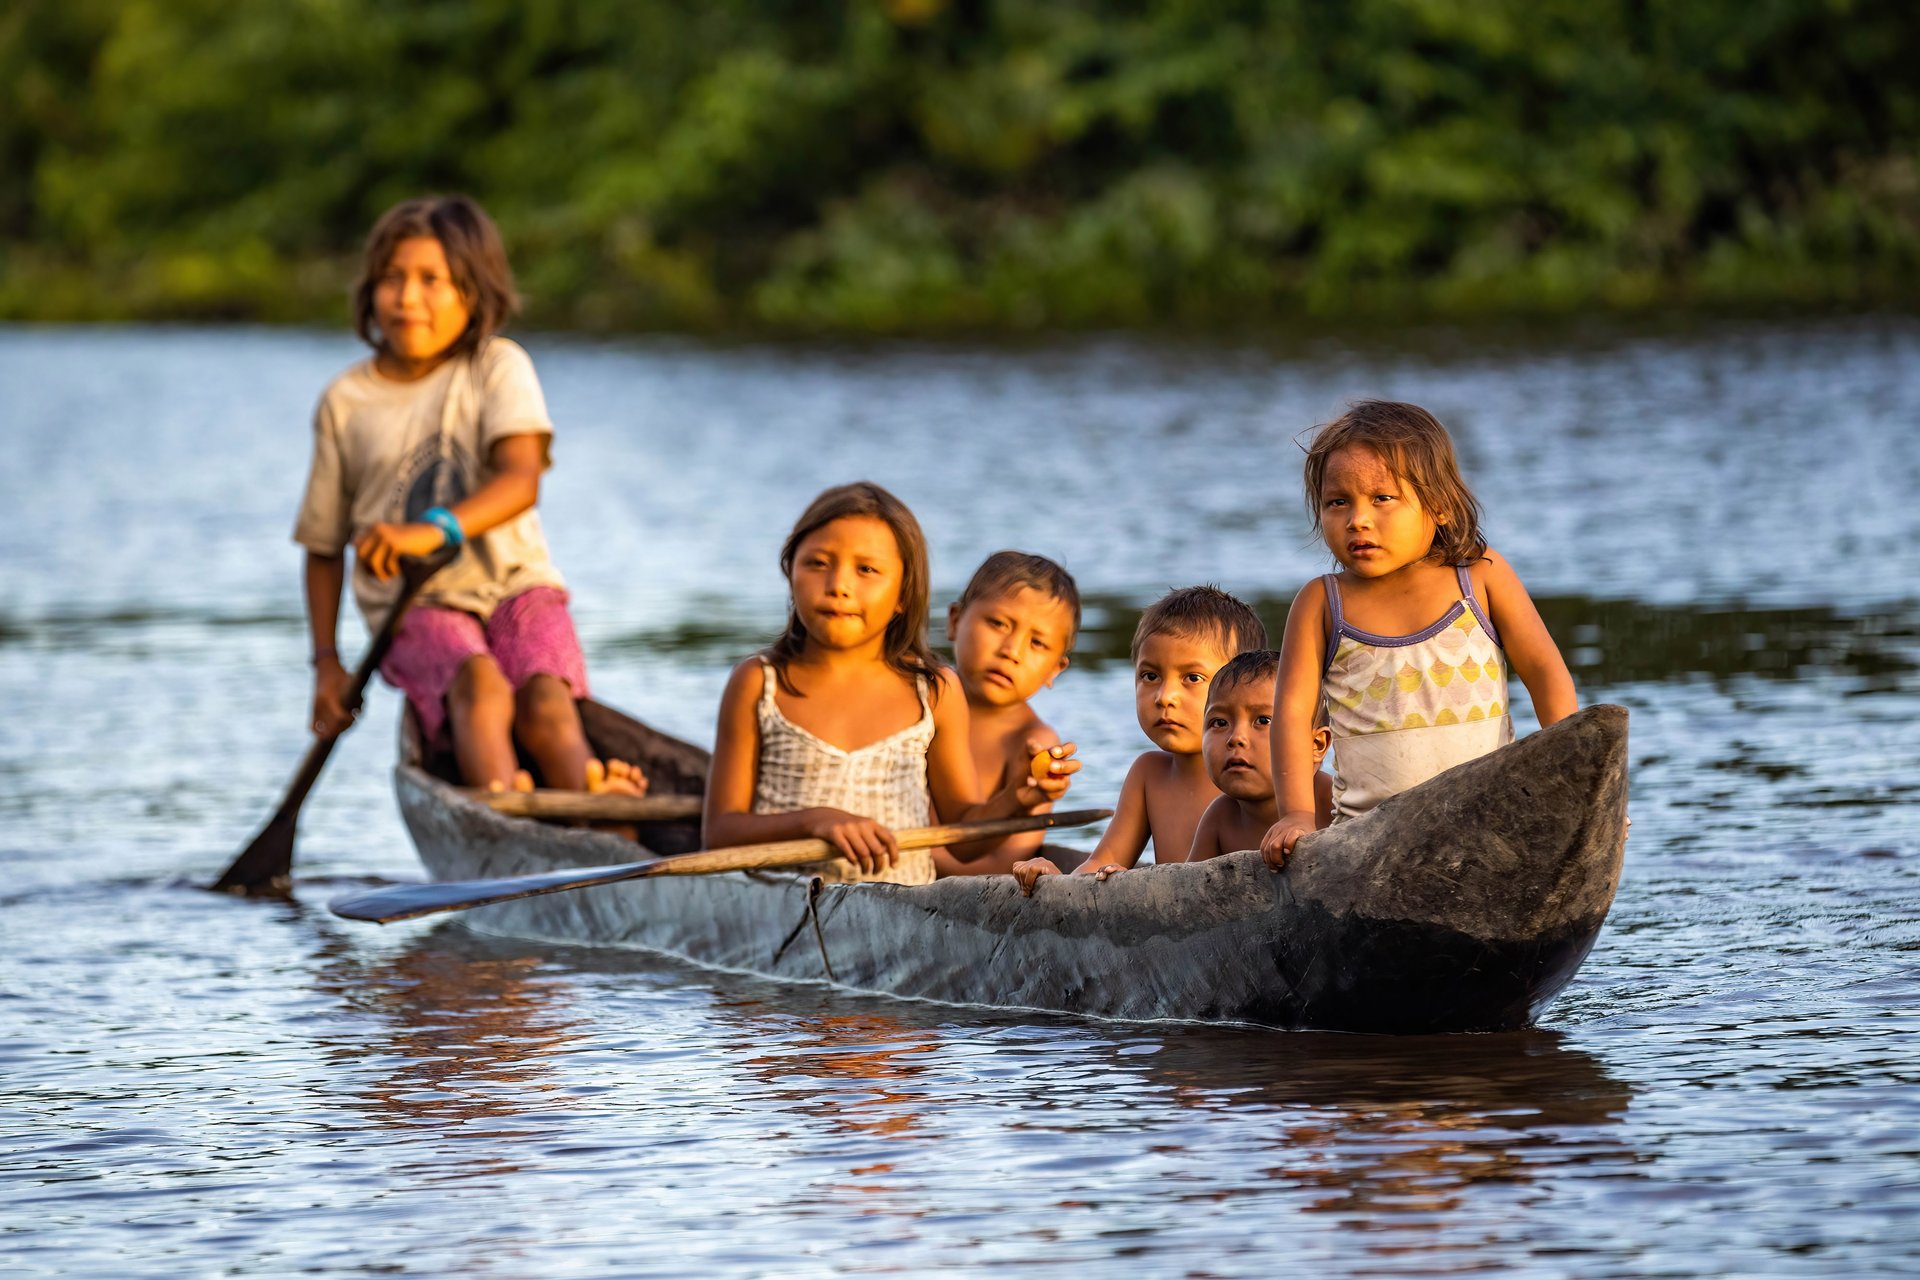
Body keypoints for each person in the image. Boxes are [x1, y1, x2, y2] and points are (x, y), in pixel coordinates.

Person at [294, 194, 641, 797]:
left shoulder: (497, 367)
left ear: (474, 293)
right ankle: (508, 808)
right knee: (479, 685)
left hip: (516, 585)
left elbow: (520, 479)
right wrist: (326, 661)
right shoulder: (347, 402)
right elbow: (323, 547)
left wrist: (434, 529)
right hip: (415, 604)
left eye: (433, 281)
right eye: (392, 278)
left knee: (545, 703)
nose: (407, 299)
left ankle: (598, 815)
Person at [703, 482, 1077, 885]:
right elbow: (719, 834)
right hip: (776, 909)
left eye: (866, 570)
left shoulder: (934, 691)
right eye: (817, 563)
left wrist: (1013, 801)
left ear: (903, 593)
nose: (839, 585)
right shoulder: (760, 683)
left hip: (904, 917)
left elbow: (963, 839)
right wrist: (815, 822)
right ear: (789, 570)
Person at [1261, 399, 1577, 869]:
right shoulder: (1322, 604)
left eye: (1382, 498)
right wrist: (1297, 814)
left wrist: (1574, 785)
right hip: (1368, 845)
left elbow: (1545, 672)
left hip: (1489, 826)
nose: (1358, 519)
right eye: (1337, 502)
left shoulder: (1480, 576)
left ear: (1441, 507)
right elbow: (1291, 714)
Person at [1013, 586, 1266, 894]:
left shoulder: (1255, 771)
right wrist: (1056, 882)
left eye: (1192, 678)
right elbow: (1100, 864)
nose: (1164, 697)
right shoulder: (1149, 774)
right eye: (1150, 676)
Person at [935, 551, 1082, 877]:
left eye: (1037, 643)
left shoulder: (1033, 745)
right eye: (998, 623)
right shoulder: (919, 700)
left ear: (1054, 670)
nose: (1011, 651)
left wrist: (916, 862)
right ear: (955, 621)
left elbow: (1004, 866)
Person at [1183, 649, 1332, 863]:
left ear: (1316, 745)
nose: (1236, 738)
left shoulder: (1334, 802)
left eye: (1263, 721)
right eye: (1220, 723)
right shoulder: (1221, 817)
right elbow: (1188, 891)